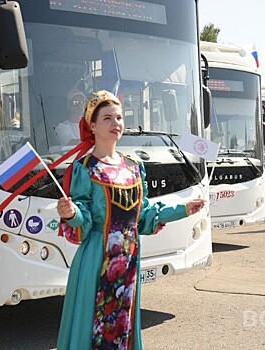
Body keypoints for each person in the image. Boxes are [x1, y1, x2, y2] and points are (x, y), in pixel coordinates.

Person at [55, 90, 206, 350]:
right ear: (92, 125)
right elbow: (84, 218)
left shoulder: (133, 166)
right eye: (107, 119)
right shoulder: (85, 168)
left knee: (122, 324)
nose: (116, 124)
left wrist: (183, 208)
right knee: (95, 326)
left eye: (119, 118)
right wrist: (71, 213)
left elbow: (145, 215)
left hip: (128, 259)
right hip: (96, 260)